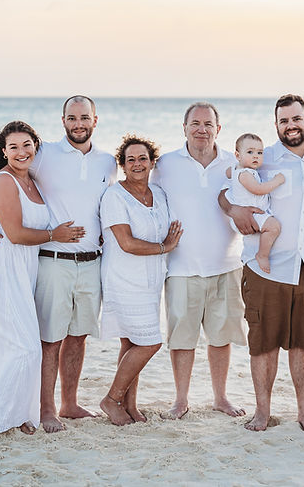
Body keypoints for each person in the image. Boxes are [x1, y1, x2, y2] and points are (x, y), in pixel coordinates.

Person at [0, 95, 116, 433]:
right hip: (53, 261)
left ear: (95, 120)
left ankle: (70, 404)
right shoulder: (44, 155)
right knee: (49, 339)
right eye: (72, 118)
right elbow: (2, 172)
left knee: (78, 336)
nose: (78, 123)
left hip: (92, 262)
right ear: (63, 120)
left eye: (85, 117)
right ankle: (46, 409)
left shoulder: (107, 162)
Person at [220, 94, 304, 435]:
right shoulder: (261, 158)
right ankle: (262, 412)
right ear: (276, 125)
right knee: (264, 340)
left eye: (296, 118)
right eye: (284, 121)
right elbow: (224, 190)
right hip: (265, 266)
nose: (291, 125)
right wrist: (232, 210)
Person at [0, 121, 85, 442]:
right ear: (3, 152)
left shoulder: (32, 178)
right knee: (26, 349)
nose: (22, 152)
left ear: (36, 146)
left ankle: (19, 413)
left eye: (27, 145)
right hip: (2, 270)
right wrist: (54, 235)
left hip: (26, 273)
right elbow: (17, 234)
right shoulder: (6, 181)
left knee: (17, 346)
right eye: (14, 147)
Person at [151, 103, 248, 420]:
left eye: (208, 123)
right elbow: (148, 204)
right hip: (180, 267)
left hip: (227, 265)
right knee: (182, 338)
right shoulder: (165, 165)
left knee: (222, 337)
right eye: (195, 123)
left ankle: (221, 397)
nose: (201, 129)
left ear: (219, 128)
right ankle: (181, 400)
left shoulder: (234, 164)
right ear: (184, 127)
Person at [99, 135, 183, 426]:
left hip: (150, 282)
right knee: (149, 343)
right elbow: (126, 243)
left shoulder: (158, 194)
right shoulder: (114, 196)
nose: (137, 164)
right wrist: (165, 247)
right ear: (122, 165)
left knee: (131, 342)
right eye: (131, 159)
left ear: (152, 163)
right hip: (123, 278)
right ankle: (111, 399)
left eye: (143, 158)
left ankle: (129, 406)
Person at [227, 133, 284, 273]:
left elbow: (228, 173)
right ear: (237, 155)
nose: (255, 156)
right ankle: (262, 255)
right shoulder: (246, 174)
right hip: (250, 216)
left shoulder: (236, 168)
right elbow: (258, 189)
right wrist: (277, 181)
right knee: (274, 227)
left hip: (250, 213)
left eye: (260, 152)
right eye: (250, 152)